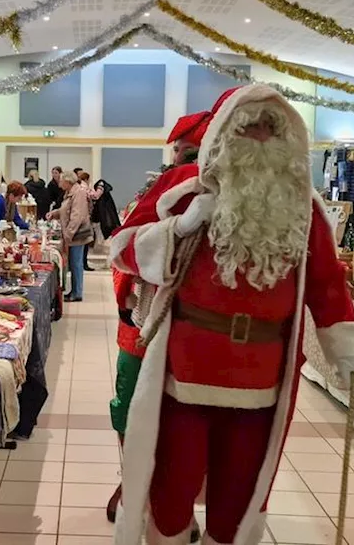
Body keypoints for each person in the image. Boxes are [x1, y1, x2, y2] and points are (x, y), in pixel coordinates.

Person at [107, 85, 354, 544]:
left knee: (239, 500)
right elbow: (122, 250)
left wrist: (343, 348)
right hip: (182, 375)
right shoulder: (181, 190)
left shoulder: (303, 209)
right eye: (248, 127)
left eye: (270, 128)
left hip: (261, 384)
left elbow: (327, 282)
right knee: (170, 491)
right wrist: (179, 228)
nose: (259, 137)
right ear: (224, 134)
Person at [106, 109, 212, 525]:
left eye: (194, 153)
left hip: (190, 338)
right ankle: (136, 482)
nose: (187, 163)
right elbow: (124, 257)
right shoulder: (155, 196)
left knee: (183, 418)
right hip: (144, 330)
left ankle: (172, 497)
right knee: (132, 406)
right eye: (184, 153)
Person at [57, 171, 93, 301]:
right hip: (73, 234)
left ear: (67, 182)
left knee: (76, 264)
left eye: (61, 180)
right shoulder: (70, 193)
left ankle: (77, 293)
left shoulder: (78, 193)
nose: (59, 183)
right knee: (73, 263)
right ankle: (74, 290)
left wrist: (68, 234)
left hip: (78, 234)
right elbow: (66, 210)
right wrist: (55, 213)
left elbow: (76, 216)